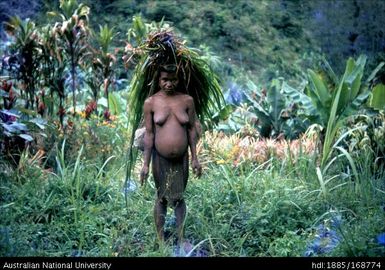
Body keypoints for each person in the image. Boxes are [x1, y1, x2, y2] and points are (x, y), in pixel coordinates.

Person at [139, 64, 202, 244]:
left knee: (179, 198)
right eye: (165, 79)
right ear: (158, 80)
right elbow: (149, 134)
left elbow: (191, 130)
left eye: (173, 79)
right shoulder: (150, 103)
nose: (169, 83)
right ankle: (160, 240)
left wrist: (195, 159)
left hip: (181, 159)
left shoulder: (187, 100)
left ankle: (181, 238)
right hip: (160, 159)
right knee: (161, 199)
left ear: (179, 79)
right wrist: (145, 164)